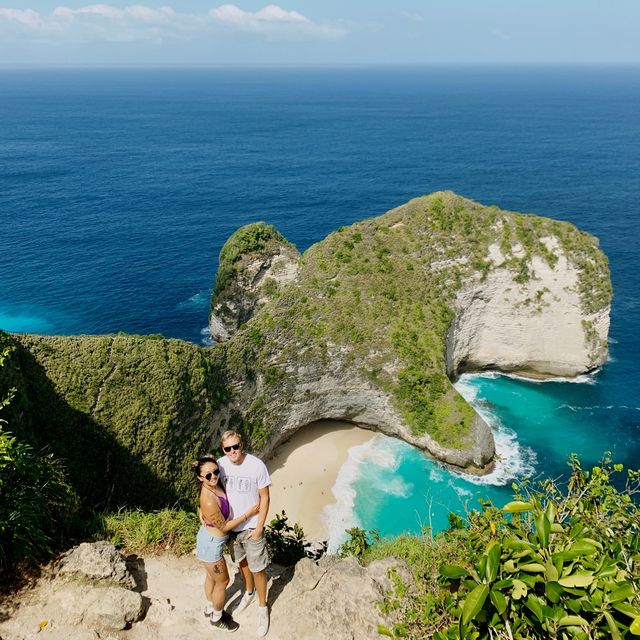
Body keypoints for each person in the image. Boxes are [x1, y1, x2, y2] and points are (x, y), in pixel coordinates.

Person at [193, 455, 260, 633]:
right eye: (208, 475)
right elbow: (223, 527)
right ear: (200, 478)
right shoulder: (208, 499)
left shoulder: (215, 485)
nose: (214, 476)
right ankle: (217, 617)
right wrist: (248, 514)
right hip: (212, 544)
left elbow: (213, 462)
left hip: (208, 540)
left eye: (215, 472)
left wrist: (209, 461)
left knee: (210, 577)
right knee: (223, 582)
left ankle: (209, 607)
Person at [218, 430, 271, 637]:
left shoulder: (257, 465)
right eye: (227, 448)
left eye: (235, 446)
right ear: (223, 449)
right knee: (242, 562)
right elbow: (208, 485)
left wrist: (259, 528)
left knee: (258, 569)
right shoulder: (220, 465)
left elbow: (265, 498)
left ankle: (262, 608)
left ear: (242, 445)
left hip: (251, 525)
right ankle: (248, 592)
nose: (232, 451)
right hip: (232, 526)